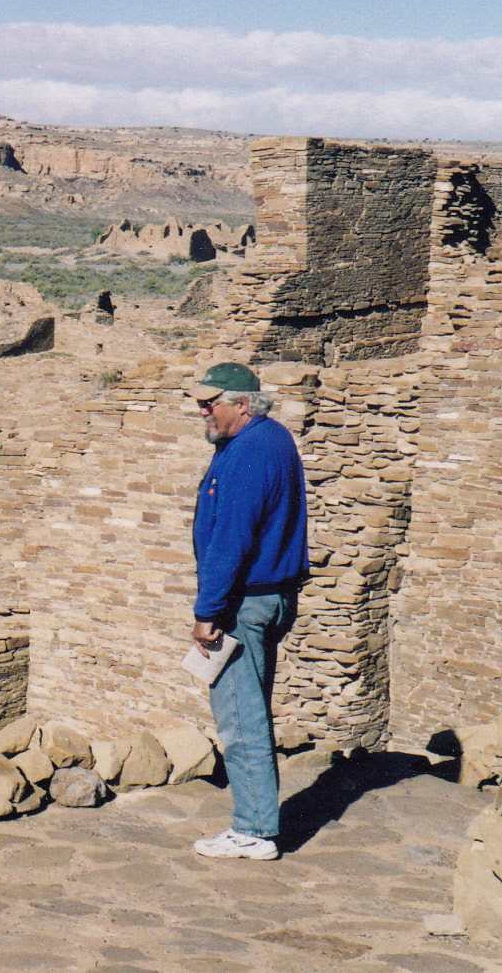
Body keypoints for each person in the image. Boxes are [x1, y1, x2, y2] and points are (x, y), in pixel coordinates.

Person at [187, 362, 308, 861]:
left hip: (244, 602)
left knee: (240, 717)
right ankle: (256, 821)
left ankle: (254, 830)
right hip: (270, 594)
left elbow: (231, 539)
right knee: (250, 708)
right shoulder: (269, 438)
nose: (202, 411)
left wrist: (208, 612)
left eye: (210, 402)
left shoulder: (248, 452)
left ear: (242, 404)